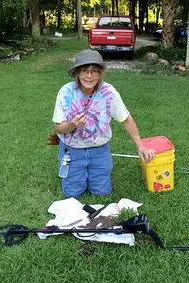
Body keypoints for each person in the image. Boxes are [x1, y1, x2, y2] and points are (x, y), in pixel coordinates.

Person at [52, 49, 155, 198]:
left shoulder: (108, 92)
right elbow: (58, 128)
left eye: (94, 71)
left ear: (100, 73)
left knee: (102, 192)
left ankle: (93, 173)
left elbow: (126, 118)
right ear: (77, 73)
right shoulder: (66, 92)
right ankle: (77, 175)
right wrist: (72, 124)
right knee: (72, 194)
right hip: (72, 151)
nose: (89, 76)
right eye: (84, 71)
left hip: (99, 151)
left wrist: (140, 146)